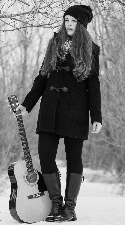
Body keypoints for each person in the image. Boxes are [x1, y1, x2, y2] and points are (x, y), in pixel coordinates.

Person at [16, 5, 102, 222]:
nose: (69, 24)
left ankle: (69, 208)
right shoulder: (54, 43)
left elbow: (94, 84)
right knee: (45, 155)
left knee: (74, 158)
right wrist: (27, 104)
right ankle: (56, 204)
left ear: (82, 24)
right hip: (50, 109)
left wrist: (96, 116)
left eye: (74, 21)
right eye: (66, 20)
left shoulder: (91, 49)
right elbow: (42, 76)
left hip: (76, 110)